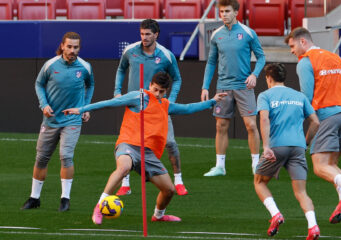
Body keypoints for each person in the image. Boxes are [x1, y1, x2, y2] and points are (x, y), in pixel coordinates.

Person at [63, 72, 227, 225]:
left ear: (166, 91)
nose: (157, 94)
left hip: (148, 154)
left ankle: (158, 215)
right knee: (124, 168)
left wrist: (212, 101)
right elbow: (110, 103)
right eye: (155, 89)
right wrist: (81, 109)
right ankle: (99, 206)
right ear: (150, 85)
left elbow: (188, 108)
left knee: (169, 190)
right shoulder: (138, 97)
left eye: (161, 91)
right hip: (128, 144)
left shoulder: (165, 104)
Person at [285, 27, 341, 224]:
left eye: (292, 46)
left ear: (303, 42)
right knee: (331, 165)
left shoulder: (305, 62)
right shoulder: (334, 57)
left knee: (319, 167)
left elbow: (306, 97)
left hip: (327, 117)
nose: (291, 51)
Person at [21, 32, 95, 212]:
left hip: (72, 119)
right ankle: (34, 198)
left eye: (75, 47)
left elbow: (90, 85)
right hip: (51, 119)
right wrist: (44, 105)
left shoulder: (85, 67)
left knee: (66, 156)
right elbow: (39, 84)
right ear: (62, 46)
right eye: (69, 46)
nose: (72, 50)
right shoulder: (50, 65)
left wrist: (85, 107)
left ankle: (65, 199)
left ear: (79, 48)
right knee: (41, 158)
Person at [114, 19, 188, 196]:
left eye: (148, 34)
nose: (144, 37)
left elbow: (177, 78)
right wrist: (117, 91)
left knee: (170, 142)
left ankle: (178, 180)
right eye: (142, 33)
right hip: (135, 107)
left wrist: (170, 100)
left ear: (156, 35)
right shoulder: (130, 51)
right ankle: (125, 184)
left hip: (157, 107)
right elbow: (121, 69)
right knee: (128, 144)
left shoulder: (166, 55)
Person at [254, 63, 320, 239]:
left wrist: (266, 146)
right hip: (298, 147)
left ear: (268, 78)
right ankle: (313, 226)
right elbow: (315, 122)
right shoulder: (299, 96)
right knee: (301, 192)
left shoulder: (265, 95)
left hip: (277, 147)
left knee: (259, 182)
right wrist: (305, 143)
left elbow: (264, 118)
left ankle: (276, 214)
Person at [201, 0, 266, 176]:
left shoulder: (248, 33)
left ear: (236, 12)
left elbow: (261, 58)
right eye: (221, 11)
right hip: (223, 87)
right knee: (221, 125)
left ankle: (256, 164)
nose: (224, 14)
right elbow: (211, 62)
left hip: (244, 87)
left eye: (227, 11)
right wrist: (205, 86)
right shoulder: (216, 35)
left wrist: (254, 75)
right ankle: (220, 167)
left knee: (251, 125)